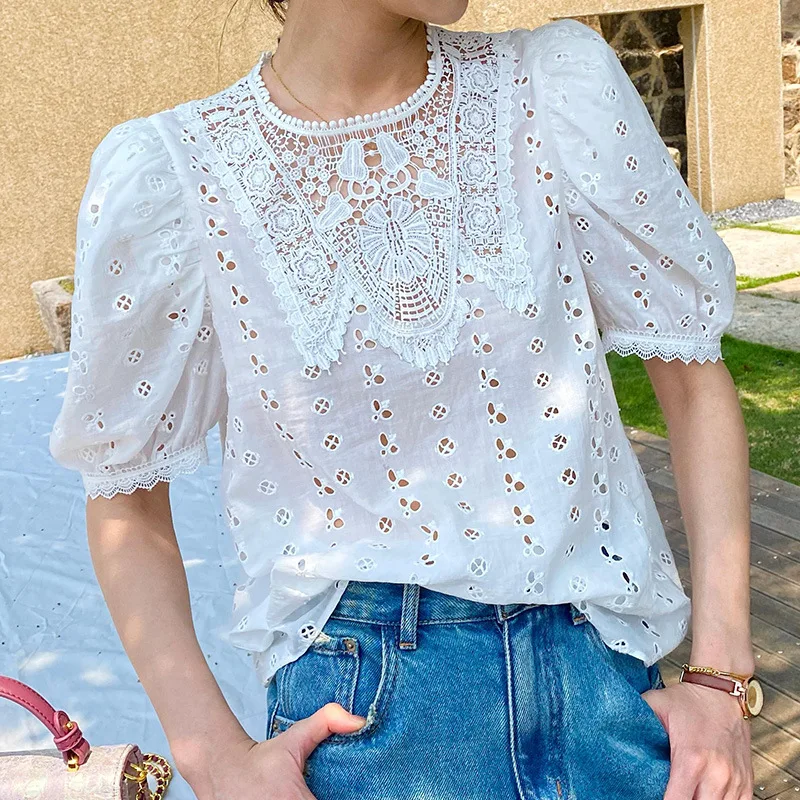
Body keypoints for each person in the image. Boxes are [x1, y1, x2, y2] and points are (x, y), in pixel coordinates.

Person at [48, 0, 759, 797]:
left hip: (603, 692)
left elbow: (692, 376)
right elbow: (124, 498)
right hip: (367, 724)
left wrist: (722, 679)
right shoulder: (178, 175)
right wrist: (213, 758)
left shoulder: (555, 88)